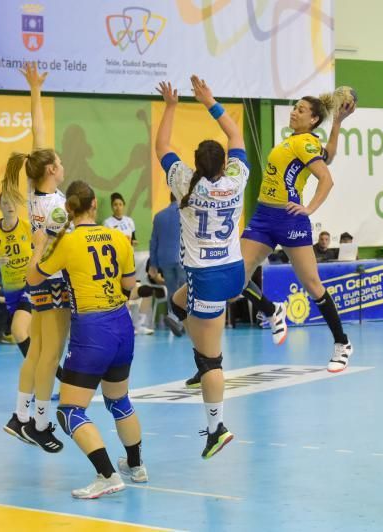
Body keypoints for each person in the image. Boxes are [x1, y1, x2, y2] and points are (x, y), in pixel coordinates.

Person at [27, 180, 146, 498]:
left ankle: (107, 475)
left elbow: (33, 278)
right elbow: (129, 284)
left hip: (92, 333)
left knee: (69, 411)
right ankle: (135, 466)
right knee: (119, 400)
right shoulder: (119, 237)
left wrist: (41, 242)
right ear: (95, 205)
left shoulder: (65, 242)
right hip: (122, 324)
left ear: (69, 208)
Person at [155, 75, 248, 459]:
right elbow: (236, 135)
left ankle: (217, 428)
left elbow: (162, 146)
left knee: (212, 359)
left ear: (195, 165)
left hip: (206, 279)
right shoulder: (238, 179)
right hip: (234, 272)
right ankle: (196, 350)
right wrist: (209, 101)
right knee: (178, 307)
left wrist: (172, 106)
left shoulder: (185, 184)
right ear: (225, 164)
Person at [238, 90, 356, 371]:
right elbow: (328, 155)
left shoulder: (304, 143)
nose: (294, 112)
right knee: (235, 277)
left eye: (301, 110)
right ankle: (271, 309)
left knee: (313, 285)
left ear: (313, 119)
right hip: (263, 216)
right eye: (295, 107)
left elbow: (326, 178)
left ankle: (342, 342)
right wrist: (337, 123)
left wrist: (310, 209)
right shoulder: (303, 142)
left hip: (290, 220)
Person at [1, 62, 69, 453]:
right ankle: (40, 422)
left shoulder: (36, 194)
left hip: (39, 280)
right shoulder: (57, 209)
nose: (62, 163)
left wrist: (36, 92)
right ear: (51, 171)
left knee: (38, 352)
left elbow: (38, 138)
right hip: (53, 282)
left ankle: (19, 415)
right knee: (48, 354)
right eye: (58, 161)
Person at [0, 194, 33, 354]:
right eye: (5, 203)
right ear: (0, 207)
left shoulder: (27, 227)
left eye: (12, 202)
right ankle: (40, 369)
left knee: (17, 330)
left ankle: (44, 368)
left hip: (30, 285)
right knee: (27, 335)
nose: (10, 206)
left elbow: (42, 253)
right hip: (11, 290)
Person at [149, 193, 185, 337]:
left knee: (171, 291)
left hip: (165, 259)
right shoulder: (186, 214)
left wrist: (153, 265)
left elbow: (153, 242)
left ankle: (174, 317)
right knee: (184, 291)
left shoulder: (159, 216)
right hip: (183, 258)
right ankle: (181, 321)